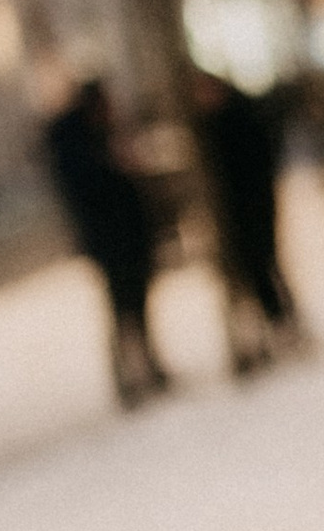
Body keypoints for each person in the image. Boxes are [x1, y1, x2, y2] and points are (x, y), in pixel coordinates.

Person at [41, 73, 169, 407]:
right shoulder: (79, 143)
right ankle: (130, 372)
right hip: (111, 239)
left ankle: (143, 366)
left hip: (125, 236)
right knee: (122, 306)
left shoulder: (98, 135)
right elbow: (88, 191)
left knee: (134, 304)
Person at [188, 70, 306, 374]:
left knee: (262, 267)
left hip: (251, 209)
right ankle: (275, 324)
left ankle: (281, 322)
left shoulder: (238, 121)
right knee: (259, 269)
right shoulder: (217, 123)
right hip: (241, 212)